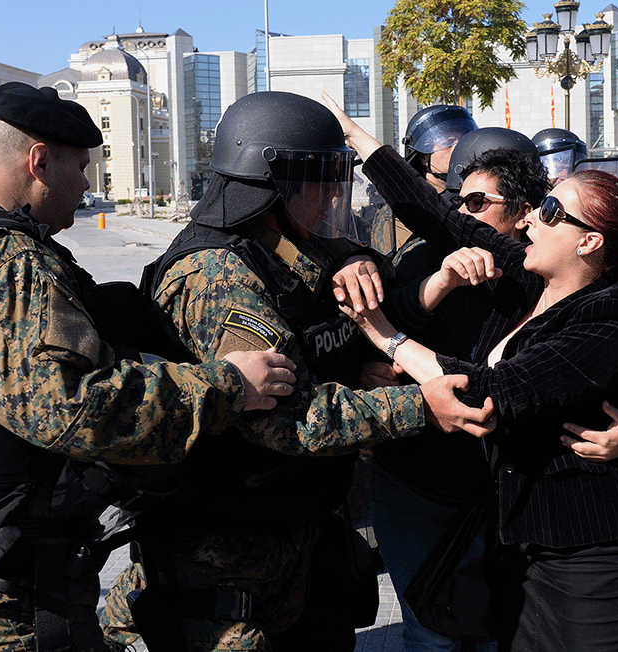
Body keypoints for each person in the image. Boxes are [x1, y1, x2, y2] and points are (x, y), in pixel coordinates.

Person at [0, 82, 300, 652]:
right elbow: (65, 409)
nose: (87, 186)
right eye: (81, 168)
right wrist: (229, 385)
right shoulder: (4, 260)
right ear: (38, 161)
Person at [99, 91, 495, 652]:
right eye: (319, 180)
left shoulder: (294, 250)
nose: (332, 194)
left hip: (297, 536)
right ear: (272, 185)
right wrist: (420, 407)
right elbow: (284, 417)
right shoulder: (218, 276)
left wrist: (355, 263)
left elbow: (328, 324)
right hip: (225, 555)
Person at [325, 92, 618, 651]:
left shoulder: (609, 315)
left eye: (550, 211)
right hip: (519, 541)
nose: (533, 219)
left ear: (589, 241)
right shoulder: (530, 277)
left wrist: (385, 335)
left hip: (587, 559)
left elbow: (488, 392)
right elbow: (436, 217)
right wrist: (356, 136)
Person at [366, 138, 549, 652]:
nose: (460, 217)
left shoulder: (544, 278)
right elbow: (376, 324)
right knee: (432, 632)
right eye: (454, 202)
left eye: (476, 203)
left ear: (524, 213)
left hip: (499, 497)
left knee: (492, 631)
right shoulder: (426, 258)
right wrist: (440, 282)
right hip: (416, 488)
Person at [369, 104, 477, 257]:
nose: (459, 147)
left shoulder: (476, 197)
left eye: (464, 139)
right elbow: (405, 262)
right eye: (447, 141)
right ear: (423, 157)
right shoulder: (406, 206)